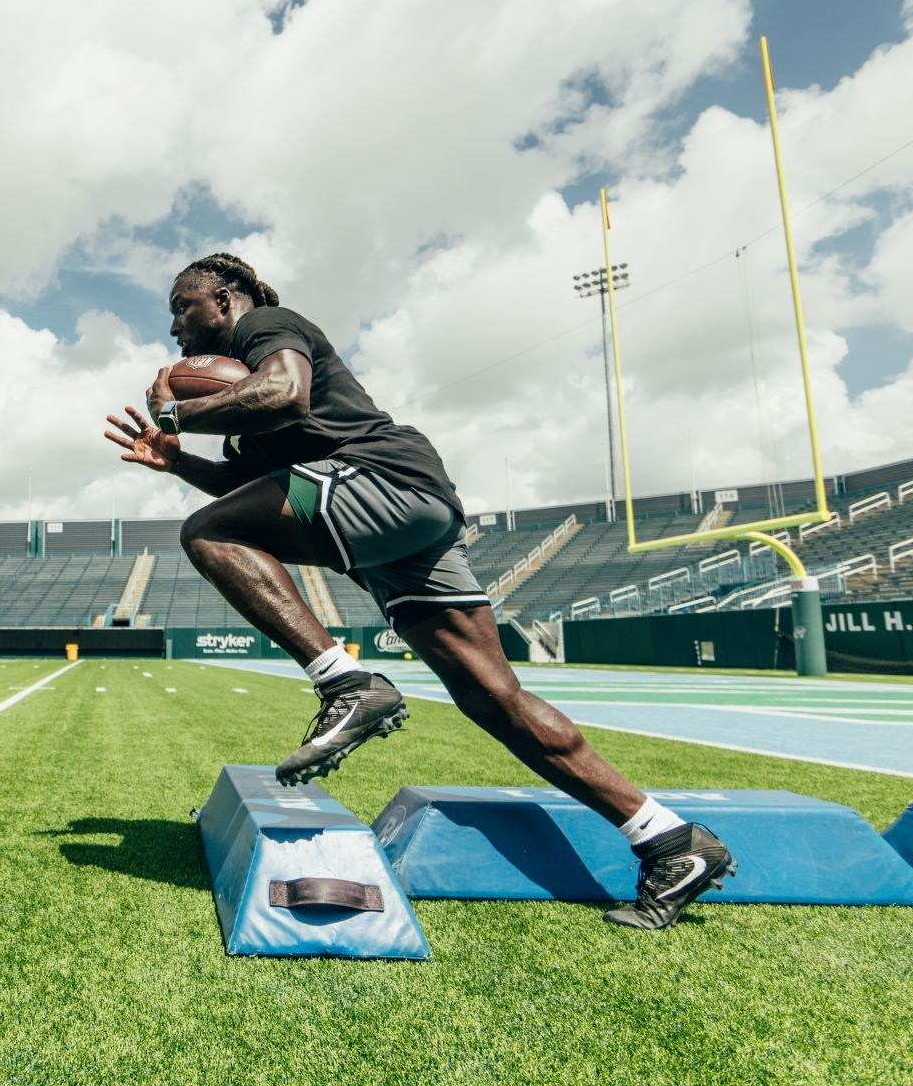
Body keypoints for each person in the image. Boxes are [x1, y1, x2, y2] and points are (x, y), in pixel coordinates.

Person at [104, 252, 735, 929]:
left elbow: (286, 391)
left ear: (226, 299)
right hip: (404, 515)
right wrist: (180, 462)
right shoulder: (241, 418)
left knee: (205, 536)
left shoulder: (267, 326)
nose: (175, 326)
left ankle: (347, 685)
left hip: (382, 480)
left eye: (182, 306)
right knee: (495, 699)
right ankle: (670, 839)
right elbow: (252, 502)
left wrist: (179, 413)